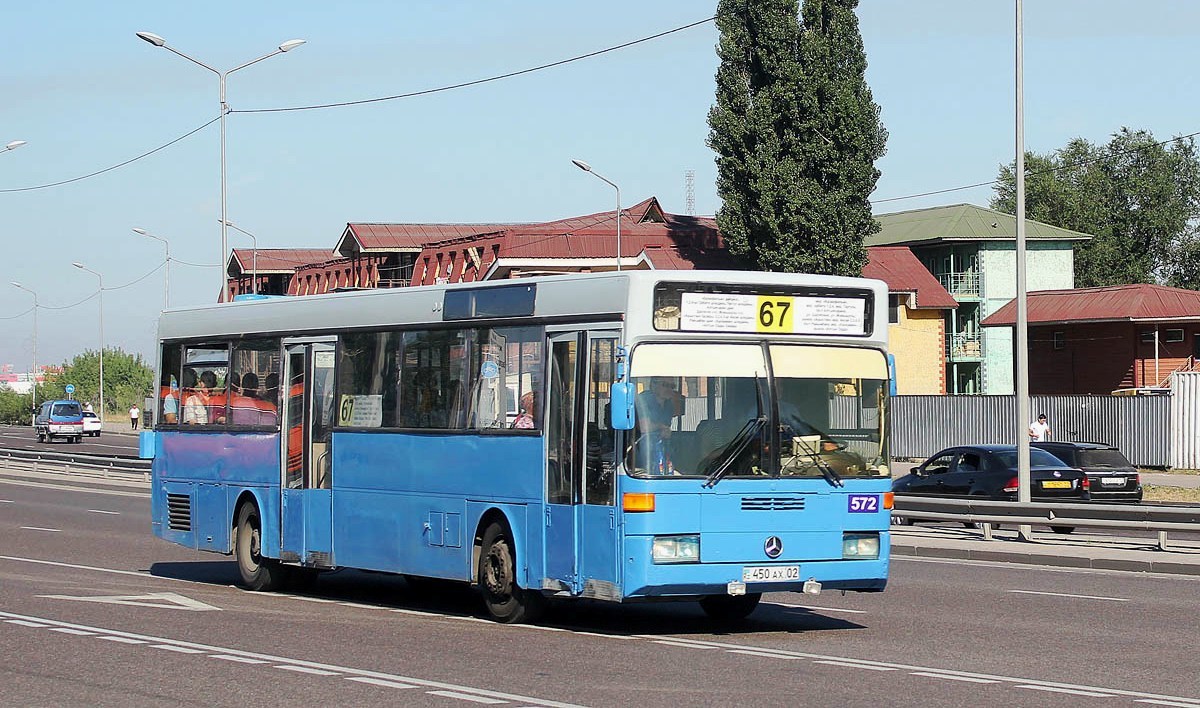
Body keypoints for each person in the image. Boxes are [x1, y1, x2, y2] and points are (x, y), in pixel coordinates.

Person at [635, 377, 685, 474]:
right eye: (665, 385)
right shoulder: (643, 400)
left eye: (672, 386)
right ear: (653, 385)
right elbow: (644, 427)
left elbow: (666, 427)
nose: (669, 389)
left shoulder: (668, 405)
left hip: (660, 450)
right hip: (639, 450)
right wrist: (661, 427)